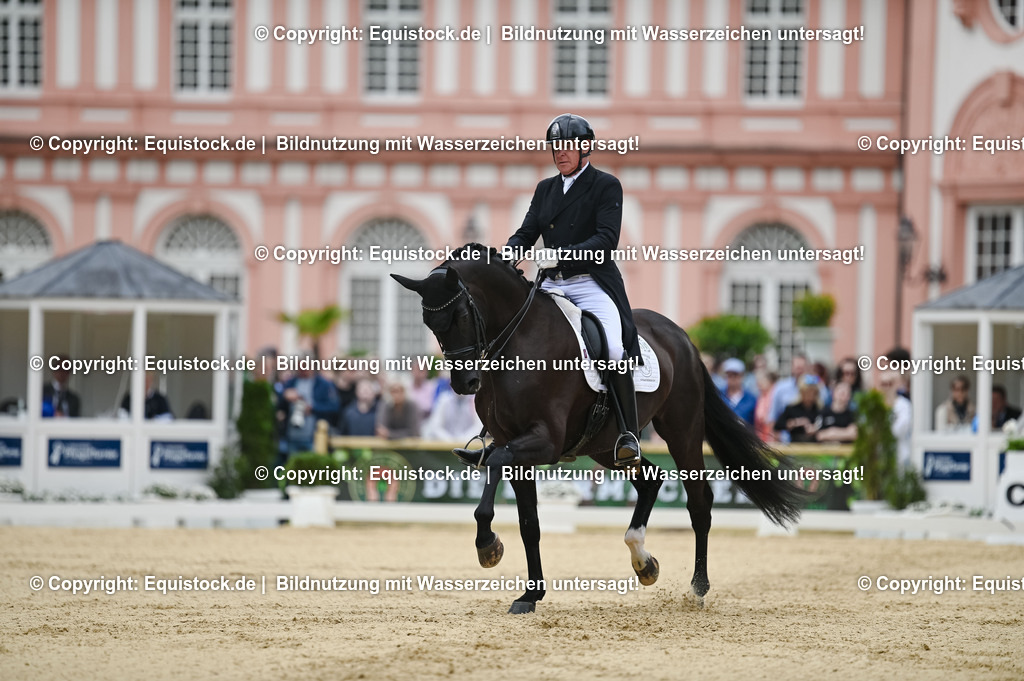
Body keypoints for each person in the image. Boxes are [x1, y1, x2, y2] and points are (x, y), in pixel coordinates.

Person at [504, 113, 642, 467]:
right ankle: (496, 429)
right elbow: (527, 231)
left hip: (591, 284)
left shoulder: (606, 185)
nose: (560, 153)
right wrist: (508, 254)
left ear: (585, 148)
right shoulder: (545, 188)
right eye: (555, 147)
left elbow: (605, 240)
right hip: (551, 285)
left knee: (612, 349)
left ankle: (628, 434)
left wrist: (561, 255)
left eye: (567, 146)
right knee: (507, 337)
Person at [276, 357, 340, 454]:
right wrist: (285, 396)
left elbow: (334, 407)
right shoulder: (291, 383)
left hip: (314, 436)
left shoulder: (323, 384)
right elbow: (279, 405)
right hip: (293, 436)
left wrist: (313, 408)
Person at [774, 375, 822, 444]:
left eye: (813, 393)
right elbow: (778, 426)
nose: (810, 396)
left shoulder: (820, 409)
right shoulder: (792, 408)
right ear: (802, 393)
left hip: (814, 445)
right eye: (807, 392)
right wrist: (795, 422)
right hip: (796, 445)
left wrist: (815, 429)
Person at [879, 370, 912, 467]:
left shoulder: (904, 405)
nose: (886, 387)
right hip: (881, 455)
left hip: (900, 455)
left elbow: (899, 430)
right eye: (883, 384)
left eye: (889, 384)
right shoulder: (876, 404)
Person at [768, 353, 809, 424]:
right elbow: (772, 417)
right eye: (797, 368)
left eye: (802, 368)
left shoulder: (816, 388)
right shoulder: (780, 388)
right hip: (785, 433)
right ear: (792, 368)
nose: (799, 372)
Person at [720, 358, 756, 426]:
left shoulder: (751, 398)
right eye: (730, 375)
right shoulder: (718, 395)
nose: (733, 378)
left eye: (735, 375)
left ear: (742, 376)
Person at [753, 370, 778, 443]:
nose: (758, 383)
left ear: (770, 381)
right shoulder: (761, 396)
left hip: (772, 436)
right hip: (761, 436)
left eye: (761, 380)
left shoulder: (775, 394)